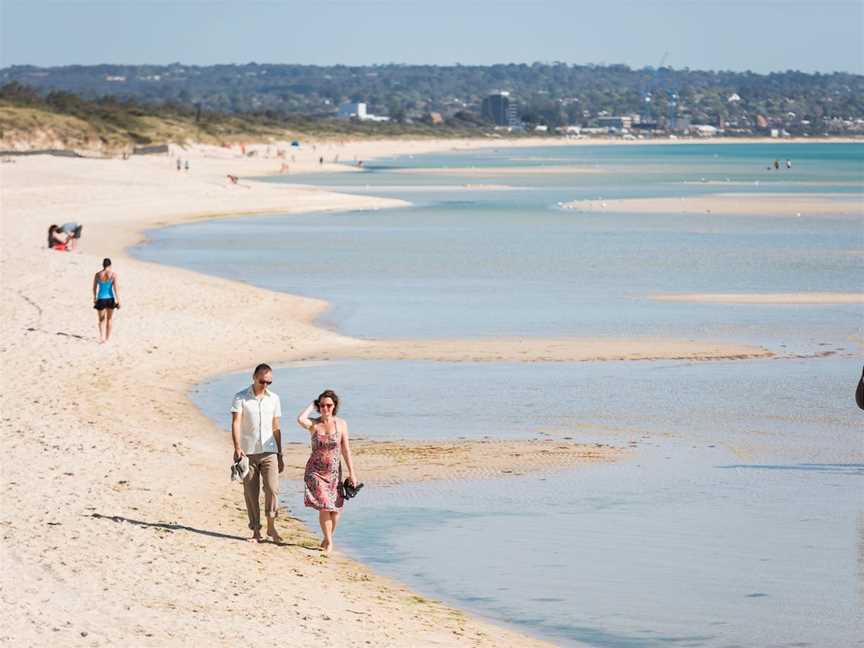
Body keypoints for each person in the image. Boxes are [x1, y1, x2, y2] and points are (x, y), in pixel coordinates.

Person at [297, 390, 358, 555]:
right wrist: (312, 404)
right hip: (315, 473)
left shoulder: (341, 424)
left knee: (336, 509)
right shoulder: (314, 424)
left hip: (334, 474)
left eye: (329, 405)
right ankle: (330, 543)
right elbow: (300, 419)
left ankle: (326, 537)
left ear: (334, 406)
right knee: (324, 506)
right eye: (322, 405)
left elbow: (346, 449)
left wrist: (352, 473)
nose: (325, 408)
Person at [231, 364, 284, 543]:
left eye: (269, 382)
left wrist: (280, 453)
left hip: (270, 451)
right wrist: (237, 447)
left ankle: (271, 527)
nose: (265, 385)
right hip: (249, 452)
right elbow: (236, 423)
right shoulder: (241, 397)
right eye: (262, 381)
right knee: (250, 492)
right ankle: (255, 530)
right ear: (254, 377)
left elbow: (276, 427)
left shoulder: (274, 398)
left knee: (272, 489)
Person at [92, 258, 120, 343]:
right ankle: (107, 339)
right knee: (109, 319)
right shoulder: (113, 275)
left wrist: (94, 298)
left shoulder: (97, 274)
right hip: (110, 298)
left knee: (101, 319)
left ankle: (101, 337)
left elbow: (94, 288)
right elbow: (115, 288)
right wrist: (118, 300)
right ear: (110, 265)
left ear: (103, 265)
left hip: (101, 298)